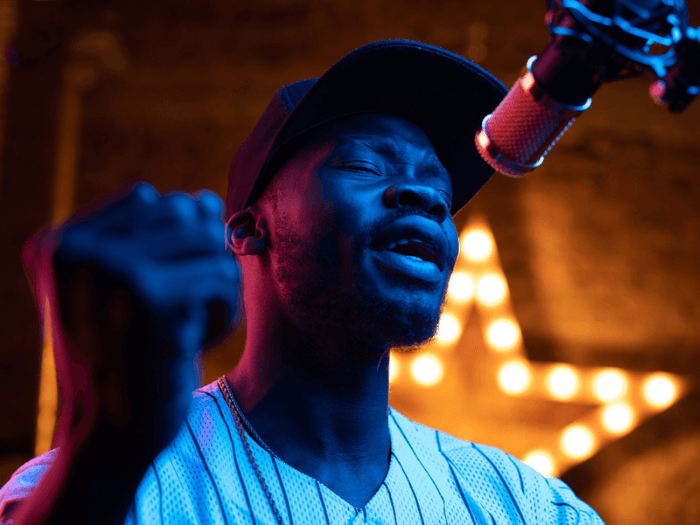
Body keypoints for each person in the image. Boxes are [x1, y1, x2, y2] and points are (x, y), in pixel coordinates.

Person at [0, 40, 605, 524]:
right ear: (247, 230)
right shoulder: (99, 484)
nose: (425, 196)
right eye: (364, 165)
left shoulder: (530, 509)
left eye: (441, 192)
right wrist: (106, 451)